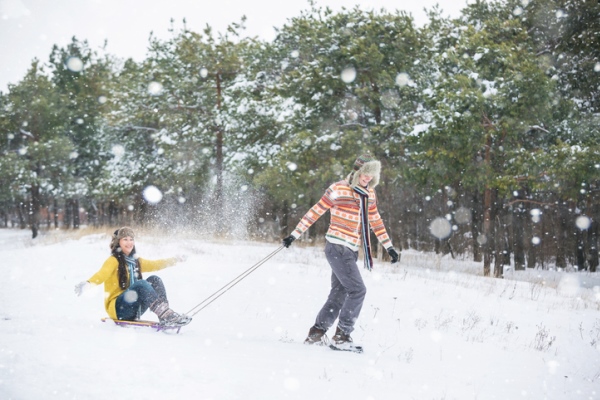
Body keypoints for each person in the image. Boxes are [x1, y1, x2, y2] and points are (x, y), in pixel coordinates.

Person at [282, 154, 399, 346]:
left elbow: (376, 221)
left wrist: (390, 247)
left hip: (351, 250)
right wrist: (294, 234)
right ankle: (342, 336)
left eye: (372, 175)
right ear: (357, 172)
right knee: (357, 290)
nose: (368, 178)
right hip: (337, 246)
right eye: (365, 174)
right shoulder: (338, 189)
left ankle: (316, 334)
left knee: (339, 294)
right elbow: (316, 211)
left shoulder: (369, 194)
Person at [75, 227, 191, 327]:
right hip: (118, 309)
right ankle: (166, 314)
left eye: (131, 239)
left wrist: (175, 259)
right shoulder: (113, 261)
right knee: (141, 284)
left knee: (155, 279)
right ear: (118, 242)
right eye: (125, 239)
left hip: (133, 307)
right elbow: (102, 274)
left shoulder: (136, 262)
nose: (129, 242)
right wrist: (88, 284)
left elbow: (155, 264)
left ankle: (165, 316)